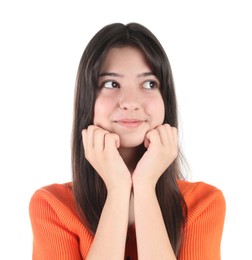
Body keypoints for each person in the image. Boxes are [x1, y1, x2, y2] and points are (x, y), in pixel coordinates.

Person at [29, 22, 226, 260]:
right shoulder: (53, 206)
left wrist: (145, 185)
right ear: (87, 100)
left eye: (149, 84)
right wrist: (117, 189)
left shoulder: (202, 204)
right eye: (111, 84)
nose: (130, 101)